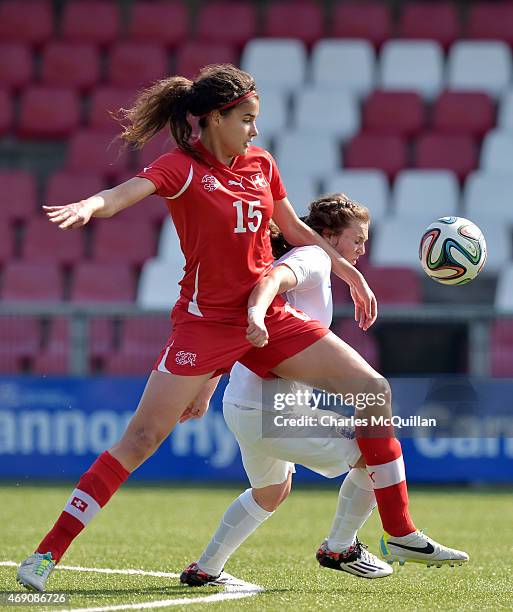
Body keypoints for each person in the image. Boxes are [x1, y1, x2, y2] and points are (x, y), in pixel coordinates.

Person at [14, 63, 454, 593]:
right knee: (142, 438)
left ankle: (400, 531)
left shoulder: (262, 164)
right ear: (213, 120)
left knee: (373, 390)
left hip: (268, 317)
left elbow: (292, 229)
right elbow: (127, 192)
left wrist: (351, 273)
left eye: (255, 119)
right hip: (204, 325)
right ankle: (45, 555)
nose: (255, 130)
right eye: (246, 119)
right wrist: (91, 205)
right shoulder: (181, 167)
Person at [179, 195, 468, 587]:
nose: (362, 249)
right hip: (270, 411)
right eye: (358, 240)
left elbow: (241, 331)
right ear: (329, 236)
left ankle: (205, 569)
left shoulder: (312, 260)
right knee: (372, 453)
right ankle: (345, 546)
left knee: (271, 492)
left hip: (244, 404)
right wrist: (256, 312)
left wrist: (209, 385)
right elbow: (273, 282)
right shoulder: (313, 257)